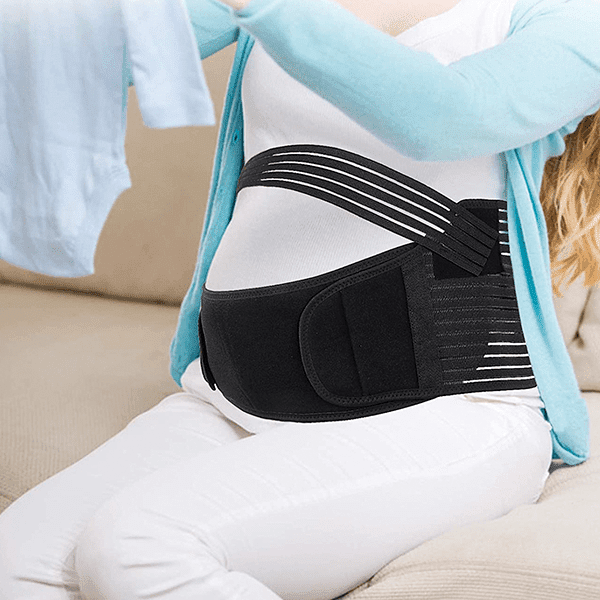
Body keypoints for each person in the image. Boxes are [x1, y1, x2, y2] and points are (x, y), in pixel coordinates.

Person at [1, 0, 600, 599]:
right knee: (17, 562)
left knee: (138, 547)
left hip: (450, 415)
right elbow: (87, 53)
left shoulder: (566, 17)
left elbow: (448, 116)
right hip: (238, 400)